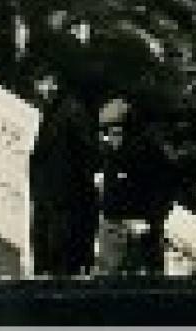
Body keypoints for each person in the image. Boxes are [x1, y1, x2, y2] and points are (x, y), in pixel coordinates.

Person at [96, 100, 186, 276]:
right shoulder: (112, 155)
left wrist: (150, 220)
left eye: (114, 133)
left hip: (140, 237)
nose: (108, 139)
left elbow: (166, 191)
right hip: (113, 235)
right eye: (105, 133)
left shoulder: (150, 156)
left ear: (128, 132)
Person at [27, 71, 100, 277]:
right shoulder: (57, 112)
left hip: (64, 204)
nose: (40, 89)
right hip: (54, 203)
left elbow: (87, 157)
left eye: (42, 82)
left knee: (61, 263)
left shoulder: (69, 112)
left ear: (54, 83)